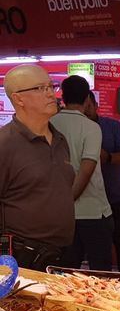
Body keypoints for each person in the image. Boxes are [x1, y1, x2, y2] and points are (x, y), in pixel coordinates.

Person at [0, 64, 75, 270]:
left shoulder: (60, 139)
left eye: (51, 86)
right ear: (18, 99)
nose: (51, 94)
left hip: (62, 252)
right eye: (40, 88)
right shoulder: (5, 144)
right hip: (22, 257)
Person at [51, 75, 113, 271]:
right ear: (87, 99)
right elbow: (87, 169)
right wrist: (70, 200)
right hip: (93, 212)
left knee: (65, 273)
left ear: (63, 97)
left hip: (59, 213)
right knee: (99, 273)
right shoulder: (91, 127)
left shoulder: (49, 124)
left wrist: (62, 206)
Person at [84, 92, 120, 272]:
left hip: (116, 197)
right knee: (97, 251)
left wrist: (108, 157)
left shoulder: (111, 127)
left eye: (89, 106)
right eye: (83, 106)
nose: (86, 110)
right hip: (87, 201)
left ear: (96, 105)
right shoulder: (75, 129)